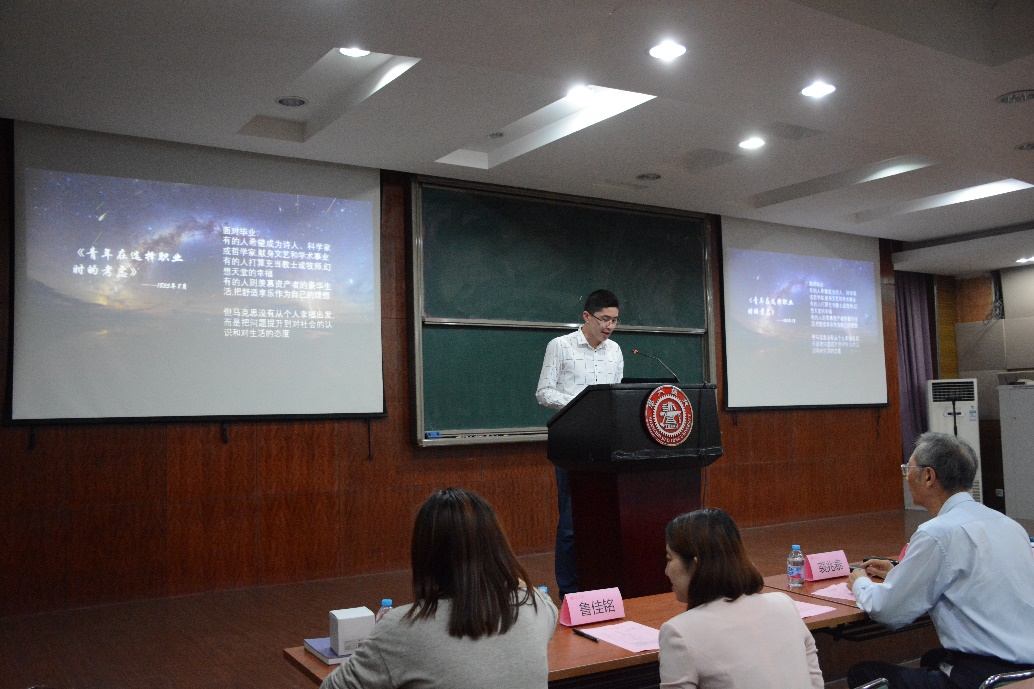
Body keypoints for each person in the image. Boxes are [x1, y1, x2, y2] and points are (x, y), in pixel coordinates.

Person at [847, 432, 1034, 689]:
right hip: (1026, 672)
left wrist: (860, 582)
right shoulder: (1009, 525)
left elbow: (888, 610)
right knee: (932, 658)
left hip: (984, 678)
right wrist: (901, 573)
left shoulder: (936, 533)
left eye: (908, 469)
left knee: (864, 673)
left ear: (928, 476)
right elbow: (977, 578)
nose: (905, 476)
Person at [319, 488, 558, 689]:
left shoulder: (400, 628)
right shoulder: (536, 606)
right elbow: (541, 600)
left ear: (424, 554)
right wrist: (504, 572)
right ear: (497, 546)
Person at [658, 508, 824, 689]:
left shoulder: (678, 632)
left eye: (669, 559)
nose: (666, 571)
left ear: (696, 564)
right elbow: (815, 683)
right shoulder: (784, 604)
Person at [535, 288, 623, 597]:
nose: (609, 326)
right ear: (587, 316)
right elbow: (544, 392)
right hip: (572, 442)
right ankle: (569, 592)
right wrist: (581, 403)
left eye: (614, 320)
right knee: (572, 524)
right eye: (604, 319)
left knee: (605, 520)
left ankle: (599, 584)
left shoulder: (615, 350)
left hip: (606, 445)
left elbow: (616, 394)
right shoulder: (560, 346)